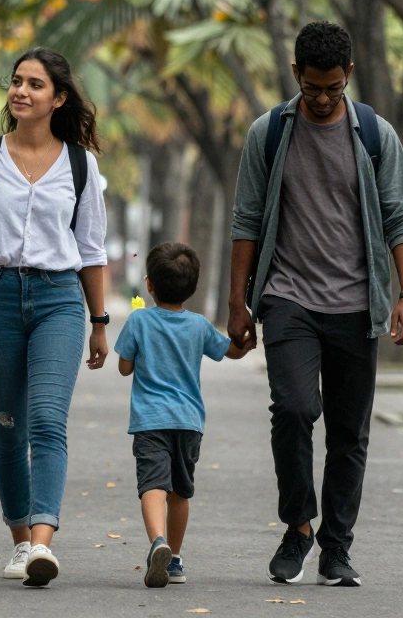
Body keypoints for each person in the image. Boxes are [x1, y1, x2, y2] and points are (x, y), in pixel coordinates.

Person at [227, 21, 403, 588]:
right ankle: (298, 526)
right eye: (312, 88)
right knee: (292, 408)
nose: (322, 98)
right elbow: (245, 221)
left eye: (333, 88)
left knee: (348, 432)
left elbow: (400, 217)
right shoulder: (268, 133)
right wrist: (238, 304)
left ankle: (336, 548)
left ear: (348, 77)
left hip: (357, 305)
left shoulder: (375, 136)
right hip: (288, 297)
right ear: (295, 76)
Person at [0, 47, 109, 588]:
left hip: (58, 299)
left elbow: (92, 249)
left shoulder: (81, 165)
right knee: (8, 427)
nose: (20, 91)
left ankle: (42, 542)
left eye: (35, 84)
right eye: (16, 82)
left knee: (45, 419)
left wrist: (100, 320)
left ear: (57, 98)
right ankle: (19, 540)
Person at [115, 242, 248, 588]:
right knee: (180, 493)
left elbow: (124, 368)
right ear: (193, 287)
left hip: (150, 420)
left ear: (150, 285)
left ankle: (157, 541)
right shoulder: (200, 326)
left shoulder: (139, 320)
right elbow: (230, 352)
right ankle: (173, 558)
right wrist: (247, 341)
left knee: (152, 486)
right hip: (189, 421)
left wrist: (138, 332)